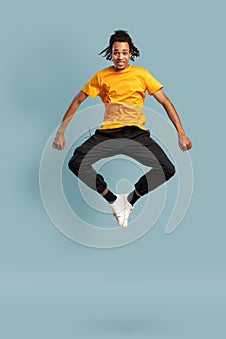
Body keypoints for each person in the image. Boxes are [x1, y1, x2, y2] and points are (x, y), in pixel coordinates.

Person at [52, 30, 192, 228]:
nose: (120, 57)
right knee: (76, 161)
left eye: (124, 52)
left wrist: (181, 133)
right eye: (116, 52)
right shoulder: (101, 76)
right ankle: (113, 199)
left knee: (167, 169)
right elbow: (77, 100)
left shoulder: (142, 74)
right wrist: (61, 131)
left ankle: (130, 200)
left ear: (130, 53)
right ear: (111, 53)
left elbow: (166, 102)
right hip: (108, 134)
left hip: (136, 135)